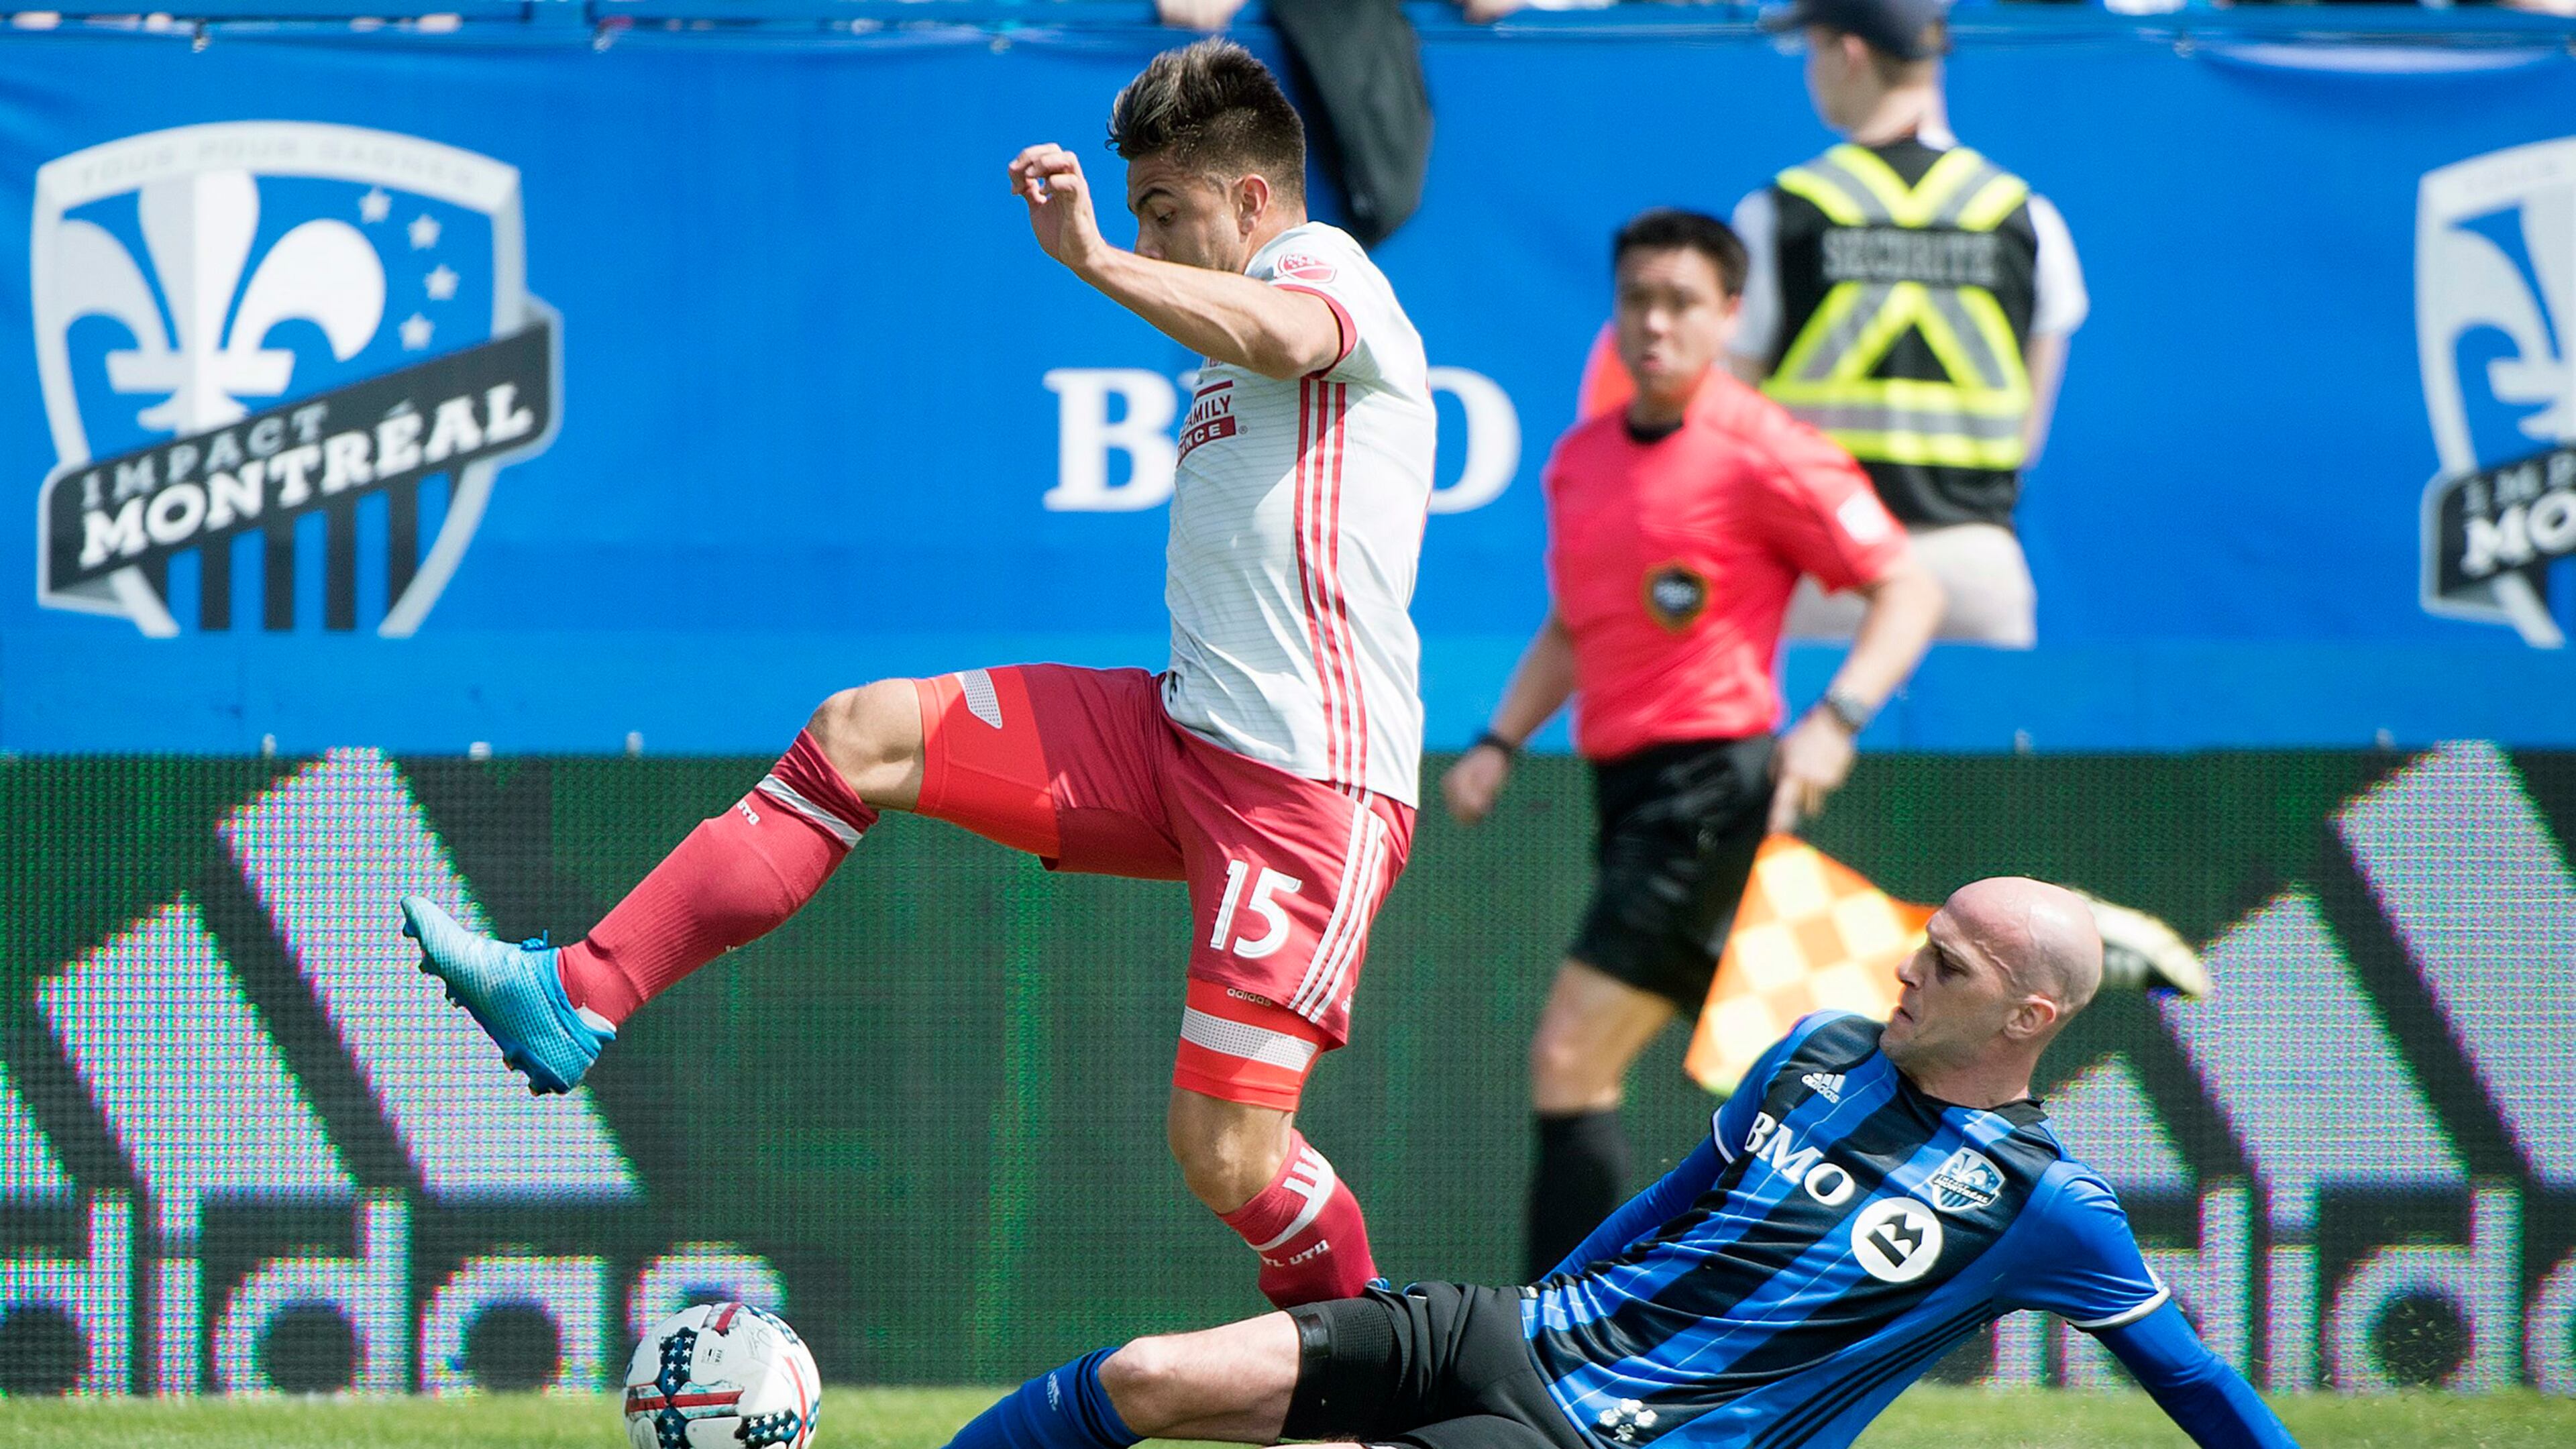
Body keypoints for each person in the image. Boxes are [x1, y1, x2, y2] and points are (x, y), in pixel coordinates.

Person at [400, 38, 1436, 1310]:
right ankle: (578, 993)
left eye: (1169, 212)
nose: (1150, 238)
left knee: (1226, 1156)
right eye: (1137, 216)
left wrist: (1100, 261)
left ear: (1257, 199)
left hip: (1304, 794)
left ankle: (1371, 1386)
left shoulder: (1321, 270)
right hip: (1180, 737)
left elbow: (1288, 334)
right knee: (862, 731)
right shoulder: (1233, 327)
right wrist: (1125, 251)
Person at [931, 879, 2300, 1449]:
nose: (1904, 966)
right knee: (1149, 1376)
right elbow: (1670, 1206)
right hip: (1506, 1336)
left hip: (1601, 1443)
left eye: (1945, 964)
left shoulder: (2043, 1207)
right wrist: (1522, 1325)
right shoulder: (1825, 1051)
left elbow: (2193, 1377)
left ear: (2029, 1021)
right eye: (1919, 938)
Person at [1442, 207, 1945, 1279]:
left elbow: (1910, 585)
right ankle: (2006, 974)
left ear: (1728, 316)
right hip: (1626, 798)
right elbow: (1576, 626)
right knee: (1814, 1062)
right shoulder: (1581, 462)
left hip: (1712, 791)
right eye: (1636, 301)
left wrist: (1838, 719)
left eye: (1681, 303)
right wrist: (1498, 739)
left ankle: (1544, 1340)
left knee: (1570, 1058)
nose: (1654, 325)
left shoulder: (1766, 451)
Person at [1578, 0, 2087, 648]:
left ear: (1850, 55)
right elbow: (2027, 435)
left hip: (1828, 573)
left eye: (1813, 51)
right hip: (1978, 570)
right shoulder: (2028, 219)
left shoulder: (1780, 215)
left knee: (1814, 750)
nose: (1810, 72)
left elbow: (1732, 411)